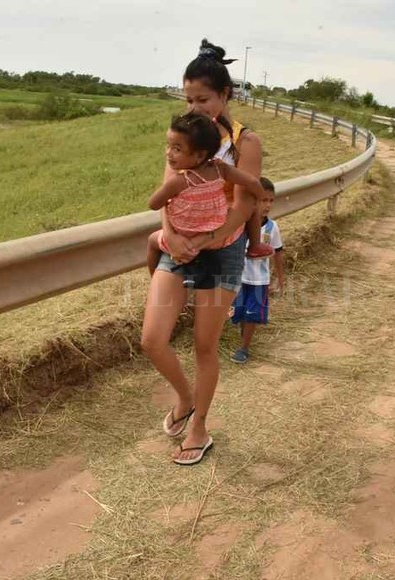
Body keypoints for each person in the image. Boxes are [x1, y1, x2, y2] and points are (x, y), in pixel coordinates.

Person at [140, 39, 267, 466]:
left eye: (203, 99)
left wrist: (214, 237)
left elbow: (245, 203)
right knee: (152, 339)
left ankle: (199, 429)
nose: (195, 107)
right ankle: (185, 397)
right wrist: (170, 236)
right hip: (179, 247)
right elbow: (168, 193)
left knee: (204, 345)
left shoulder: (245, 142)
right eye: (188, 99)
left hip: (222, 251)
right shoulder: (184, 137)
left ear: (225, 94)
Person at [146, 111, 269, 282]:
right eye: (168, 146)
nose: (168, 153)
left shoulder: (179, 181)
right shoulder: (221, 169)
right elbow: (252, 182)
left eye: (177, 149)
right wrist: (261, 198)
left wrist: (166, 193)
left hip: (185, 239)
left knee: (152, 241)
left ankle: (154, 278)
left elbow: (153, 204)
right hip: (217, 238)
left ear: (200, 155)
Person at [230, 177, 286, 363]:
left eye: (271, 200)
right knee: (239, 311)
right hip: (239, 278)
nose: (268, 205)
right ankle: (243, 337)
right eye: (264, 200)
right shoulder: (239, 225)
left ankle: (244, 348)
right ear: (253, 200)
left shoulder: (272, 228)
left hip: (259, 280)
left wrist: (280, 279)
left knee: (252, 314)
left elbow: (278, 253)